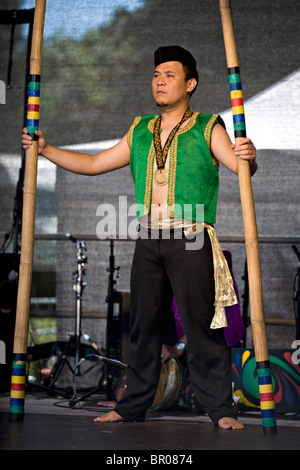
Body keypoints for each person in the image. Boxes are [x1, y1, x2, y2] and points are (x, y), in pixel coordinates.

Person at [22, 45, 257, 430]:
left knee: (201, 326)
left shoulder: (208, 125)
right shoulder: (141, 128)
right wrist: (47, 150)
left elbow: (241, 168)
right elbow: (96, 163)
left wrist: (249, 155)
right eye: (156, 75)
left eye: (170, 75)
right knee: (143, 326)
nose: (160, 82)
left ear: (190, 83)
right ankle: (132, 405)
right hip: (148, 240)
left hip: (191, 237)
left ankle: (221, 409)